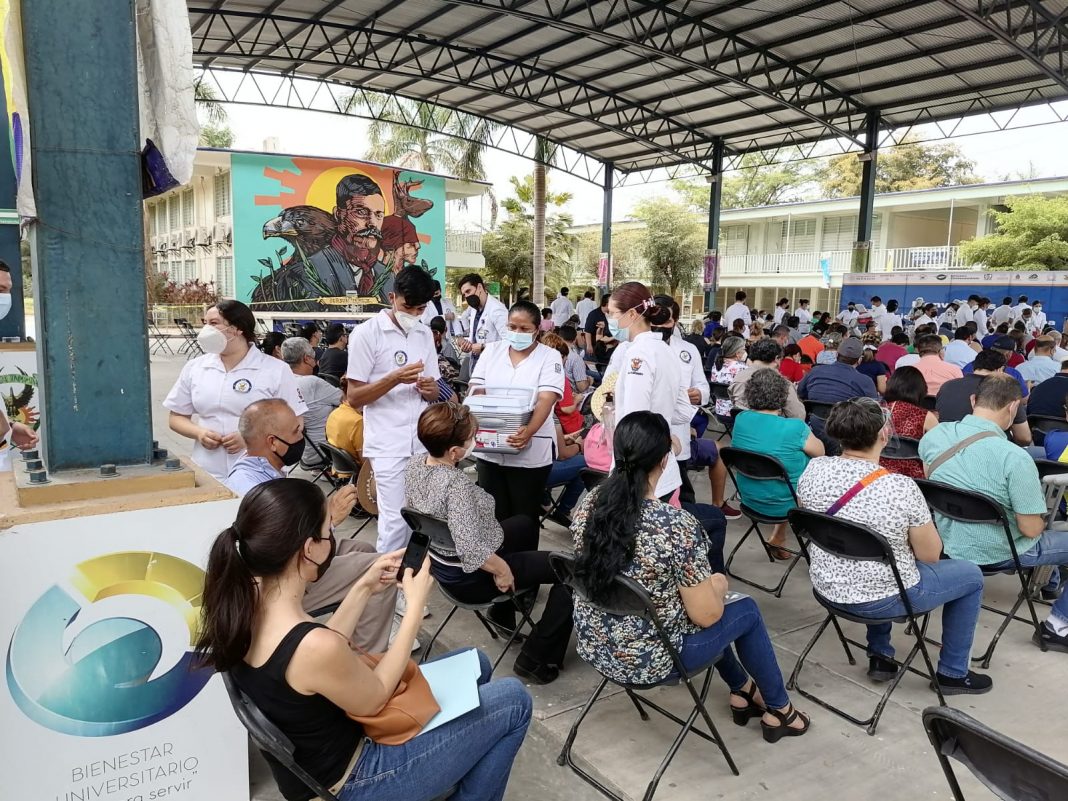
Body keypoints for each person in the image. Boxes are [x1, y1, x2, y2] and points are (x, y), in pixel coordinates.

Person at [196, 479, 532, 801]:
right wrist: (414, 609)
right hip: (358, 780)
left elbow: (317, 650)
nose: (332, 540)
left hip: (319, 760)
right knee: (515, 700)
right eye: (328, 532)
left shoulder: (246, 602)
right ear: (309, 549)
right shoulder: (311, 645)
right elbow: (374, 697)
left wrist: (364, 587)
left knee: (477, 662)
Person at [571, 411, 811, 741]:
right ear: (664, 459)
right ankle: (781, 710)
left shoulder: (590, 503)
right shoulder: (675, 525)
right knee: (743, 609)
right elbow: (707, 615)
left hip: (595, 644)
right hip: (650, 660)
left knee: (703, 606)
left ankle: (742, 689)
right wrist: (718, 584)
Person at [797, 399, 992, 694]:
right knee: (971, 575)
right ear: (884, 435)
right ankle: (953, 672)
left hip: (826, 587)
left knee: (879, 561)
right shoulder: (900, 487)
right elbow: (930, 555)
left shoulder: (814, 469)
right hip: (883, 598)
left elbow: (808, 516)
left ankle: (881, 655)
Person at [406, 403, 574, 683]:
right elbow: (472, 550)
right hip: (471, 576)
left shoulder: (415, 465)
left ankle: (504, 611)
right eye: (471, 438)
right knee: (572, 571)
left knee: (524, 523)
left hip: (444, 563)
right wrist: (503, 571)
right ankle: (535, 658)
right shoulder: (456, 487)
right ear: (454, 452)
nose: (475, 441)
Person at [222, 400, 400, 650]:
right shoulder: (254, 486)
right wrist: (330, 519)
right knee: (382, 568)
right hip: (277, 583)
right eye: (296, 432)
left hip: (288, 563)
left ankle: (354, 641)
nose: (302, 437)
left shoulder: (259, 469)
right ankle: (367, 662)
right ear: (273, 442)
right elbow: (285, 549)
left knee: (363, 549)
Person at [920, 374, 1068, 653]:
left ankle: (1051, 585)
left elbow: (934, 484)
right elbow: (1030, 530)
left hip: (946, 542)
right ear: (1013, 407)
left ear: (973, 400)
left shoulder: (935, 436)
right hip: (999, 550)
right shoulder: (1015, 458)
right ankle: (1059, 626)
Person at [347, 266, 441, 554]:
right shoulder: (367, 334)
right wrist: (393, 379)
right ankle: (386, 579)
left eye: (420, 309)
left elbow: (434, 391)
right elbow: (354, 397)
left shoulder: (424, 334)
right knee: (395, 521)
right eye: (407, 307)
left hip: (421, 443)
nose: (413, 314)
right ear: (392, 297)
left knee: (421, 520)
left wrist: (429, 389)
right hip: (388, 444)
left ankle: (411, 576)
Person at [164, 300, 308, 481]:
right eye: (205, 323)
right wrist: (199, 433)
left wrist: (249, 438)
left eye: (214, 323)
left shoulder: (276, 370)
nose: (206, 329)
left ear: (237, 328)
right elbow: (176, 417)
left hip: (258, 473)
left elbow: (296, 422)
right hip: (206, 471)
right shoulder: (195, 368)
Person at [469, 300, 564, 522]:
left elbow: (546, 399)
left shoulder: (549, 356)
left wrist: (528, 431)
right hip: (490, 448)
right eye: (512, 327)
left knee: (524, 518)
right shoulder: (492, 351)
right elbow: (476, 389)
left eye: (524, 328)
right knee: (494, 518)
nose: (517, 333)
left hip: (531, 451)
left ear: (537, 330)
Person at [732, 369, 824, 558]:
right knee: (808, 466)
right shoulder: (795, 427)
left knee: (783, 468)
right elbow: (820, 452)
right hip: (785, 505)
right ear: (783, 396)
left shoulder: (741, 419)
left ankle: (778, 536)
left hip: (749, 498)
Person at [283, 337, 342, 468]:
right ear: (306, 358)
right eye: (314, 357)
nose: (315, 362)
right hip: (325, 452)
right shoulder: (311, 382)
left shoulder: (282, 382)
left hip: (302, 452)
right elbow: (348, 400)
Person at [880, 367, 937, 479]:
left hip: (878, 473)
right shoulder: (925, 416)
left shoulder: (877, 411)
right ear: (920, 390)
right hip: (914, 478)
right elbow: (940, 446)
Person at [730, 338, 805, 419]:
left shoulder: (738, 377)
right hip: (771, 425)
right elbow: (798, 416)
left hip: (741, 423)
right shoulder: (783, 384)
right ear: (776, 359)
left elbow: (734, 404)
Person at [798, 337, 880, 403]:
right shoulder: (865, 381)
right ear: (859, 360)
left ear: (836, 354)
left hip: (815, 418)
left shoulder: (815, 371)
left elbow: (800, 393)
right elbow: (873, 409)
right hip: (847, 418)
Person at [456, 273, 508, 362]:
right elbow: (477, 337)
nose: (467, 296)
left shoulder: (497, 310)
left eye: (468, 291)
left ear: (479, 287)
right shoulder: (474, 308)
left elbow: (509, 342)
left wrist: (484, 347)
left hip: (492, 363)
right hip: (476, 362)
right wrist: (465, 344)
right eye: (464, 294)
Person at [326, 378, 365, 473]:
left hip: (339, 469)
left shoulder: (334, 413)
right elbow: (365, 462)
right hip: (358, 473)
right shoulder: (358, 421)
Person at [556, 325, 591, 393]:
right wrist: (589, 380)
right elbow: (582, 387)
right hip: (572, 395)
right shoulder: (576, 358)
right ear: (574, 339)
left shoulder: (552, 353)